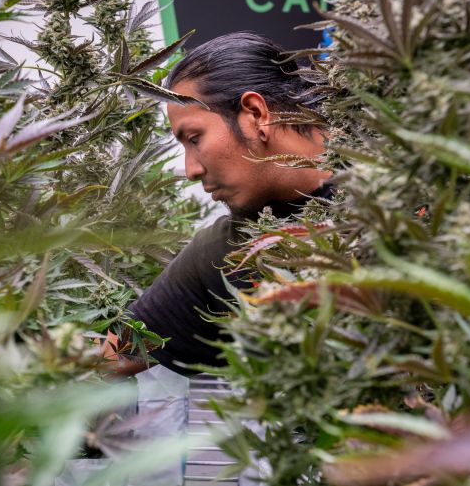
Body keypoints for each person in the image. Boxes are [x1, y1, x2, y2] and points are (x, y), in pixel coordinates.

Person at [105, 31, 332, 376]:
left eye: (195, 138)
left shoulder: (404, 175)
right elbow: (115, 354)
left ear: (255, 114)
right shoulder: (225, 252)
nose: (191, 170)